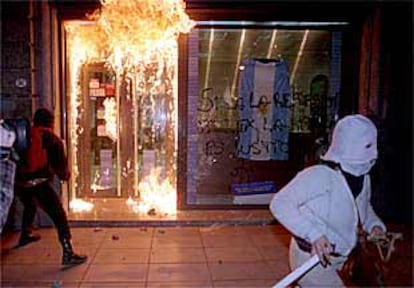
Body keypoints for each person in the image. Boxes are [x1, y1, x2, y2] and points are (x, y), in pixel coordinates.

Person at [269, 114, 386, 287]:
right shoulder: (319, 175)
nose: (374, 153)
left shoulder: (363, 177)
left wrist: (373, 225)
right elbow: (280, 203)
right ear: (349, 145)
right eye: (367, 146)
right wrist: (314, 234)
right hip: (310, 259)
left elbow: (362, 207)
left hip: (339, 258)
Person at [15, 108, 87, 267]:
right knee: (59, 215)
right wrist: (65, 176)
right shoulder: (52, 139)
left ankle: (25, 234)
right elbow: (61, 169)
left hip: (20, 183)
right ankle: (68, 251)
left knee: (29, 205)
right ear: (51, 122)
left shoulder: (25, 135)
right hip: (39, 183)